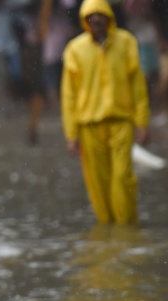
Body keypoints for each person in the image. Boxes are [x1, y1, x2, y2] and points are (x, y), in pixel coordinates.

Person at [61, 0, 150, 225]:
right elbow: (68, 95)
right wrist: (71, 135)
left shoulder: (125, 42)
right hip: (89, 125)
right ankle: (109, 229)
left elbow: (137, 85)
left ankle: (126, 226)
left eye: (101, 15)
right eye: (92, 16)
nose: (97, 20)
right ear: (85, 20)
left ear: (109, 17)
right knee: (98, 183)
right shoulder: (75, 49)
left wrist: (142, 121)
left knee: (122, 178)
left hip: (121, 122)